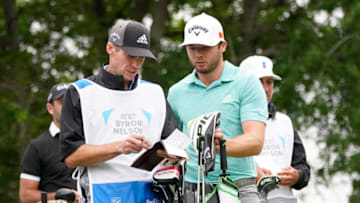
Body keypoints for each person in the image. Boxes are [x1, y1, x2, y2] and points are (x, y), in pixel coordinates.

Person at [60, 19, 179, 203]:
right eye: (130, 56)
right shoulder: (80, 93)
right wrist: (119, 147)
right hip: (102, 192)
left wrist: (173, 154)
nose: (136, 64)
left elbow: (175, 142)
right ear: (110, 48)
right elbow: (71, 157)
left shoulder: (155, 92)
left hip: (151, 193)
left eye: (141, 58)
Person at [167, 13, 268, 203]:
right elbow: (173, 142)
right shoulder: (176, 92)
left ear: (222, 46)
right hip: (192, 188)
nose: (198, 54)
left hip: (239, 185)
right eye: (192, 48)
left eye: (205, 48)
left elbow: (256, 141)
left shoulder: (246, 83)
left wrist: (220, 146)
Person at [239, 55, 311, 202]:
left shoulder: (285, 122)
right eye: (259, 82)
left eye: (269, 82)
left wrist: (297, 176)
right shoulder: (230, 122)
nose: (265, 89)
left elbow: (303, 168)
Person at [19, 83, 77, 203]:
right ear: (50, 108)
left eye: (71, 102)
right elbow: (25, 195)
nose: (69, 107)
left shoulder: (89, 139)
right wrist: (61, 196)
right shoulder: (37, 147)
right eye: (63, 103)